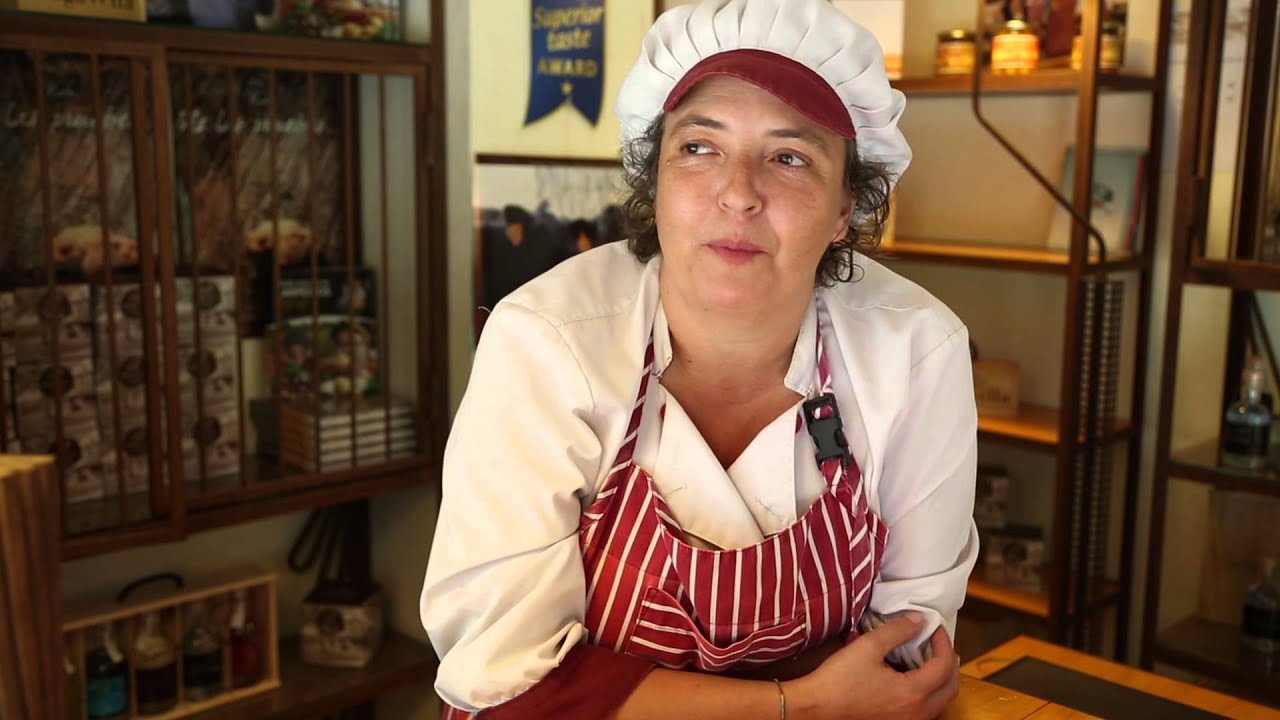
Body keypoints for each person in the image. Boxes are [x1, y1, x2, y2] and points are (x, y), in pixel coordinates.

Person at [422, 1, 979, 717]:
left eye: (790, 157)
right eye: (698, 147)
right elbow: (501, 678)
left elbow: (907, 662)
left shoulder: (914, 351)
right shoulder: (548, 341)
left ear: (846, 209)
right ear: (655, 183)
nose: (739, 193)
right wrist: (799, 705)